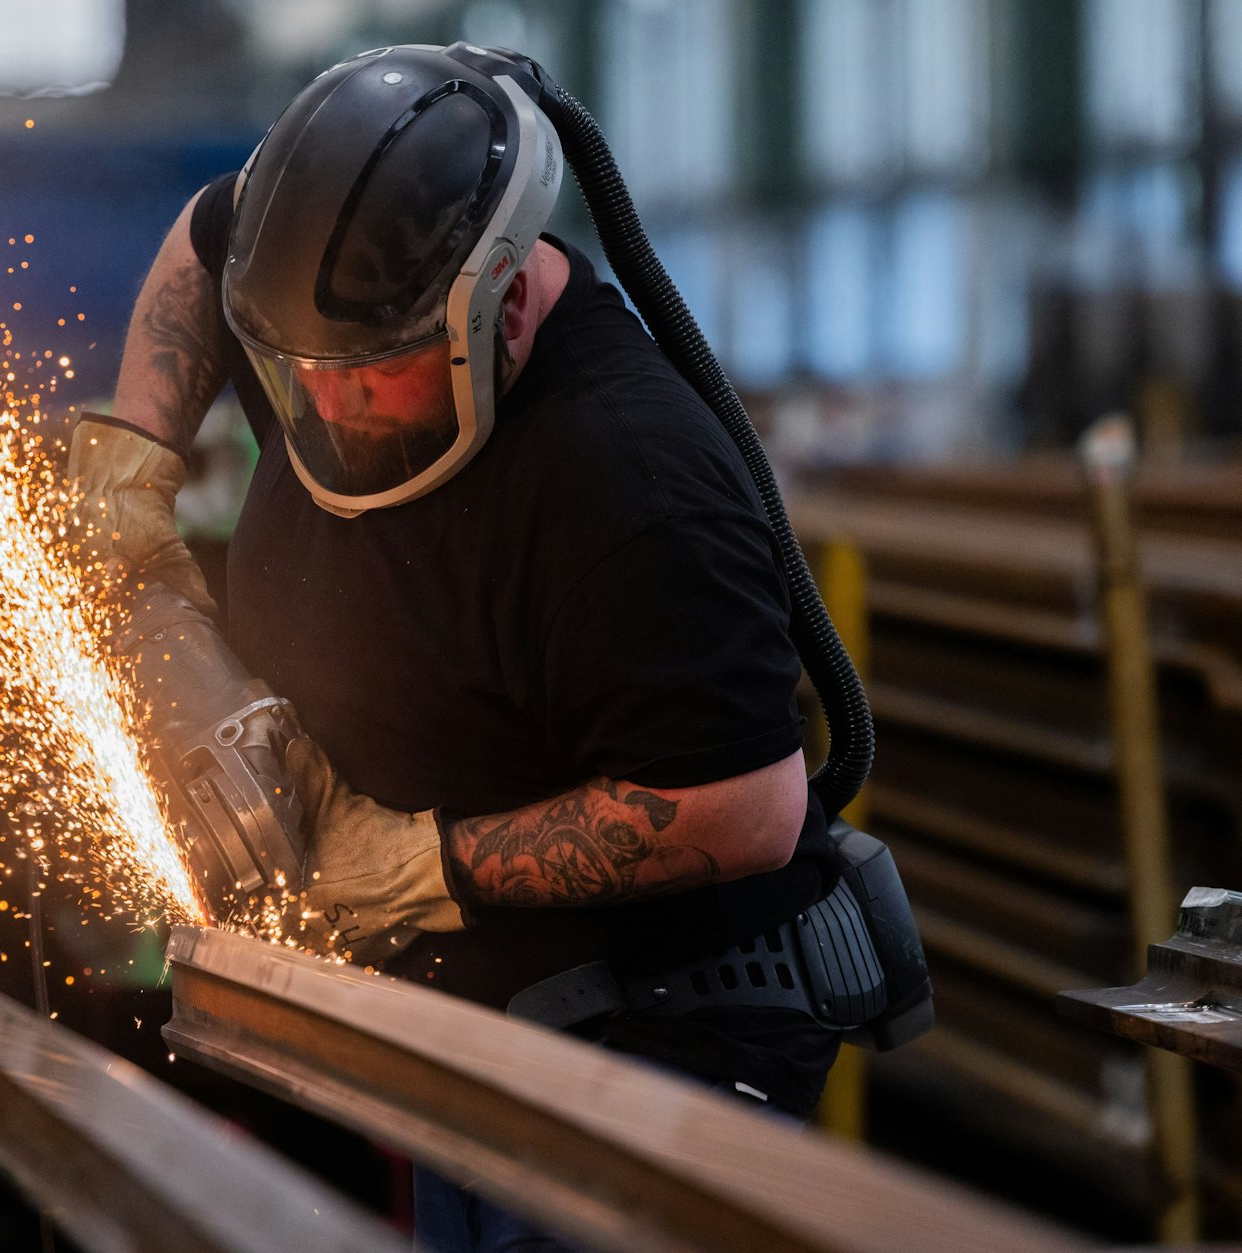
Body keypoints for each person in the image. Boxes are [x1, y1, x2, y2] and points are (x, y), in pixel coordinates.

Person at [69, 44, 844, 1252]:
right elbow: (207, 234)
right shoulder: (328, 287)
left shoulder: (631, 480)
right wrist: (133, 467)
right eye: (300, 369)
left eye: (372, 376)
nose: (323, 408)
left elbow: (745, 805)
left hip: (645, 1046)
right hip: (473, 1015)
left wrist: (417, 866)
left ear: (502, 299)